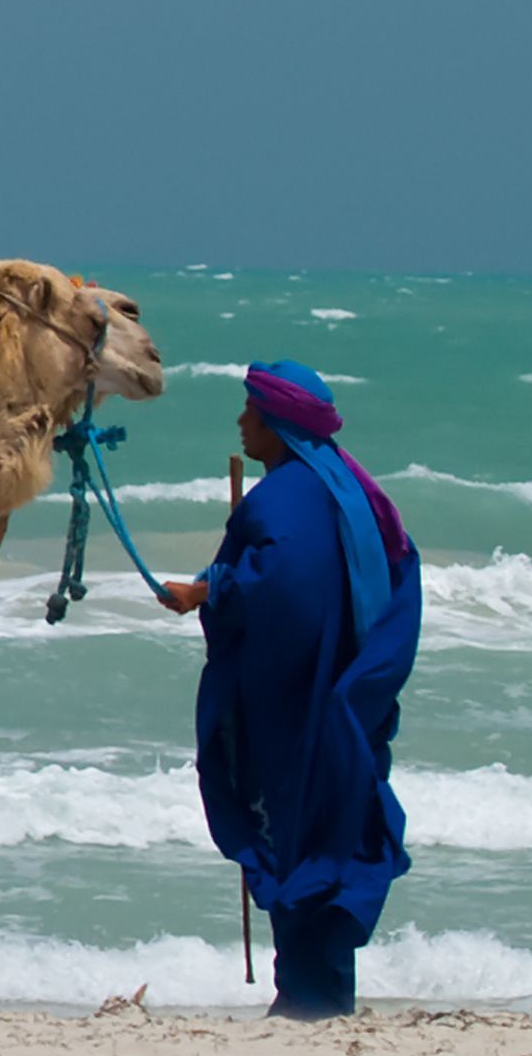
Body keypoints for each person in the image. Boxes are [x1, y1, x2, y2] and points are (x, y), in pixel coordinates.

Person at [154, 361, 419, 1019]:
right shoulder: (346, 492)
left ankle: (307, 996)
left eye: (251, 412)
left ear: (279, 422)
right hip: (337, 701)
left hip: (293, 705)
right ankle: (318, 992)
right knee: (329, 829)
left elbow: (286, 586)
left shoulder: (284, 497)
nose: (242, 423)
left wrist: (206, 591)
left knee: (295, 837)